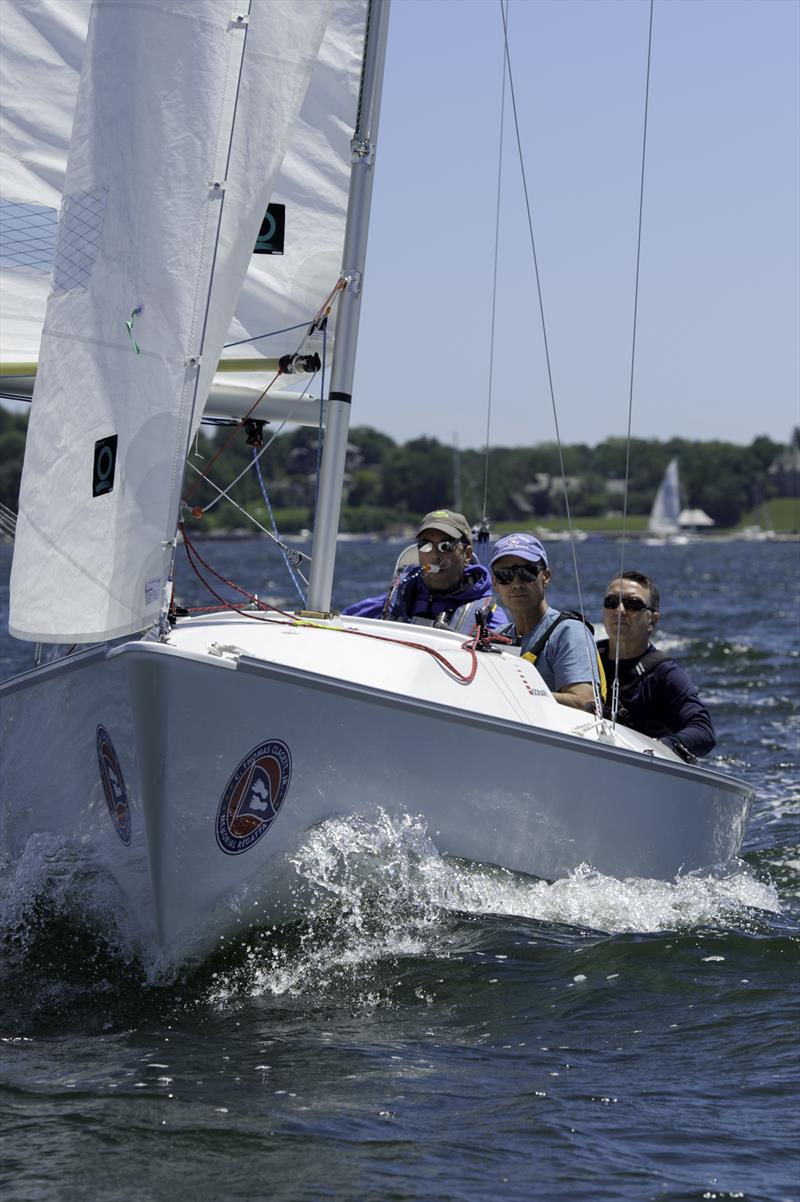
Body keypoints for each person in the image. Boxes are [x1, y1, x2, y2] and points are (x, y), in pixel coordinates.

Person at [598, 570, 715, 760]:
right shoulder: (583, 657)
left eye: (633, 604)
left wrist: (660, 748)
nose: (619, 610)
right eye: (611, 603)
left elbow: (703, 731)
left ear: (652, 620)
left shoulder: (666, 674)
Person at [342, 509, 507, 632]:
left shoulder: (489, 620)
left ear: (467, 555)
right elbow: (339, 624)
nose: (435, 554)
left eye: (446, 546)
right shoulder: (392, 603)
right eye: (426, 545)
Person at [490, 532, 601, 709]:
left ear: (546, 577)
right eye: (505, 575)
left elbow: (584, 703)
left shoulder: (569, 632)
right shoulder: (496, 637)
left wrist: (520, 693)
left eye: (526, 573)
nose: (517, 583)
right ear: (495, 583)